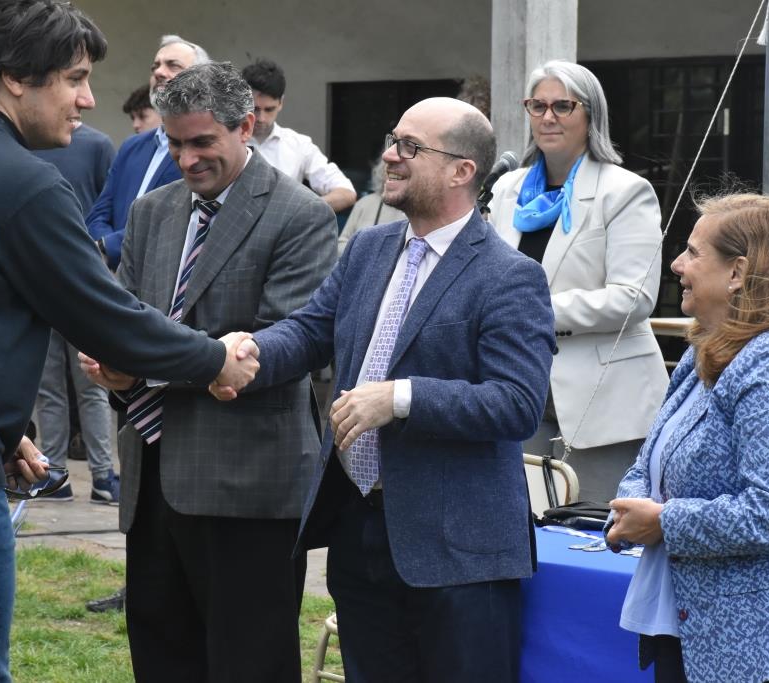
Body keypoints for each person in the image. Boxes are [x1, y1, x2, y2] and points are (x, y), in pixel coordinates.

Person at [0, 2, 256, 680]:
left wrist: (3, 430)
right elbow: (109, 320)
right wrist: (215, 356)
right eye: (74, 78)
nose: (88, 99)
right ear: (15, 76)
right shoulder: (25, 184)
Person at [213, 97, 556, 682]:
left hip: (459, 552)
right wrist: (243, 353)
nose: (391, 156)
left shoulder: (510, 276)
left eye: (410, 147)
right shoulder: (370, 248)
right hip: (359, 528)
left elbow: (517, 404)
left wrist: (400, 398)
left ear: (461, 170)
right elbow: (311, 330)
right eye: (393, 140)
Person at [79, 62, 337, 681]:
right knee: (162, 657)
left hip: (247, 486)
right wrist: (115, 369)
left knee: (249, 663)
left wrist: (146, 366)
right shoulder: (151, 212)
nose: (186, 159)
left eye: (201, 142)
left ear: (245, 126)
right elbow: (124, 319)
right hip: (152, 477)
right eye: (173, 143)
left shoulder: (300, 215)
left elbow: (289, 343)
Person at [605, 194, 769, 683]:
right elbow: (650, 460)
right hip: (687, 631)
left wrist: (663, 522)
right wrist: (629, 508)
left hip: (748, 650)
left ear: (737, 273)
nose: (676, 264)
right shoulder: (701, 352)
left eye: (692, 252)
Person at [488, 60, 668, 502]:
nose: (548, 117)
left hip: (602, 400)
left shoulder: (625, 191)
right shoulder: (506, 189)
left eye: (562, 106)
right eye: (538, 106)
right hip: (518, 383)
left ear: (591, 115)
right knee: (524, 521)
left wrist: (532, 313)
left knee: (595, 527)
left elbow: (633, 298)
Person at [32, 121, 119, 502]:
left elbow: (110, 209)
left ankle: (103, 477)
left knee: (93, 382)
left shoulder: (98, 144)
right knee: (47, 387)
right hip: (35, 280)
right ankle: (53, 476)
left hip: (84, 281)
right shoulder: (26, 141)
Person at [87, 34, 208, 269]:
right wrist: (102, 250)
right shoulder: (132, 146)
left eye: (173, 65)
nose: (159, 72)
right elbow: (99, 212)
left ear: (201, 81)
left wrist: (109, 247)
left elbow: (176, 222)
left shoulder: (203, 152)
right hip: (109, 274)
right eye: (155, 66)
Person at [242, 58, 357, 213]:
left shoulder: (299, 145)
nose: (261, 118)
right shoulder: (227, 140)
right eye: (254, 109)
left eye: (269, 109)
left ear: (281, 102)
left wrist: (297, 213)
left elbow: (346, 192)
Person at [337, 158, 405, 256]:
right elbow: (341, 243)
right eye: (390, 165)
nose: (395, 172)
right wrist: (361, 253)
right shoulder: (364, 203)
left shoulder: (416, 210)